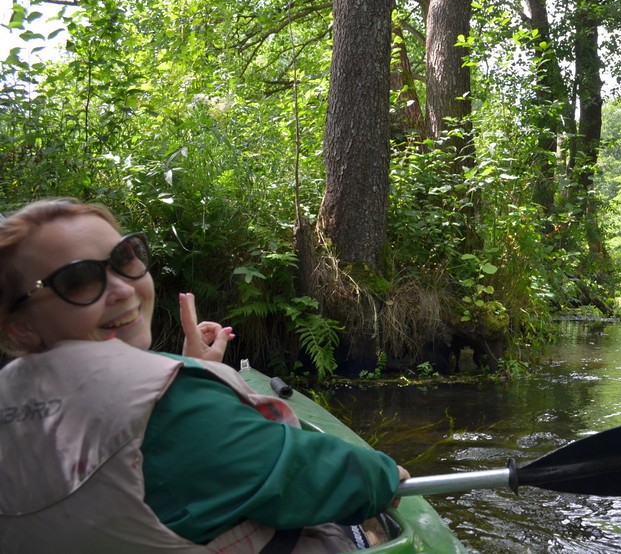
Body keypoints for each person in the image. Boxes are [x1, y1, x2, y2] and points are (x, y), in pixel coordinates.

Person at [0, 198, 409, 553]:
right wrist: (382, 474)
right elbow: (300, 473)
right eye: (78, 280)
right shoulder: (170, 405)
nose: (123, 289)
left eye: (125, 258)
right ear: (18, 325)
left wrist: (197, 369)